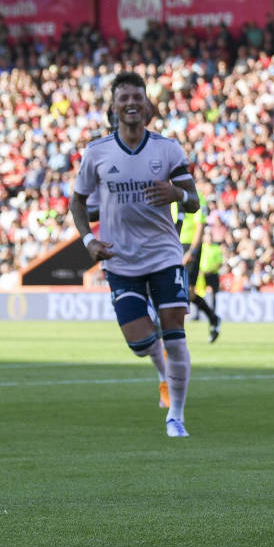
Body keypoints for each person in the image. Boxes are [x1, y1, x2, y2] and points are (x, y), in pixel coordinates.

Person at [68, 70, 201, 438]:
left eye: (136, 98)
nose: (130, 104)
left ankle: (176, 416)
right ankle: (162, 372)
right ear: (113, 106)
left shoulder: (168, 149)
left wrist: (176, 194)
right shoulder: (97, 152)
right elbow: (78, 204)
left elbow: (193, 201)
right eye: (123, 98)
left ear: (146, 105)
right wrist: (88, 241)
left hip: (164, 256)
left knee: (175, 332)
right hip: (120, 259)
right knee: (141, 343)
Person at [174, 188, 221, 347]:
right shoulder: (172, 193)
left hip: (190, 247)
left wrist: (192, 250)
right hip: (174, 244)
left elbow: (200, 225)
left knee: (186, 290)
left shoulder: (196, 196)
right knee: (185, 291)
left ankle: (176, 331)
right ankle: (213, 318)